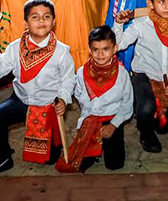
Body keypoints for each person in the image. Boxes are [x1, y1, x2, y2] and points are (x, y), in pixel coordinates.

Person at [0, 0, 77, 179]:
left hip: (48, 106)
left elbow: (68, 79)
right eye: (35, 17)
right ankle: (2, 158)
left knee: (50, 159)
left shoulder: (61, 52)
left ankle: (54, 144)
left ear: (53, 22)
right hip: (21, 100)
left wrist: (62, 99)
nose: (41, 21)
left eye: (46, 17)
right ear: (25, 23)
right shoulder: (15, 48)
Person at [113, 0, 168, 153]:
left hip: (166, 78)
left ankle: (149, 111)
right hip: (143, 74)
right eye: (161, 2)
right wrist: (118, 24)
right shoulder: (141, 25)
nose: (167, 6)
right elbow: (120, 44)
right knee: (146, 108)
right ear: (151, 4)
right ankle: (146, 134)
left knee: (163, 127)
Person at [57, 25, 133, 173]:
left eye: (105, 49)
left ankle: (110, 141)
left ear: (115, 48)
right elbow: (76, 94)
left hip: (112, 119)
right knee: (82, 164)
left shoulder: (122, 74)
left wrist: (113, 125)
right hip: (90, 120)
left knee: (115, 165)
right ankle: (93, 147)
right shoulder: (81, 73)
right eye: (95, 49)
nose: (100, 54)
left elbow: (127, 105)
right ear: (89, 50)